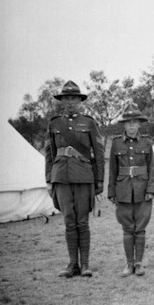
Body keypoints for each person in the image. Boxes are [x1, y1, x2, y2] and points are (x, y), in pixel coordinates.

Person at [45, 80, 104, 278]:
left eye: (74, 98)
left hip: (84, 176)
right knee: (69, 221)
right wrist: (48, 179)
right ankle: (73, 264)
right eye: (67, 98)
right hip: (61, 176)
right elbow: (49, 153)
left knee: (82, 221)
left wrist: (99, 181)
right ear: (62, 101)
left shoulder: (89, 123)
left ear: (80, 101)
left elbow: (99, 152)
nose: (70, 102)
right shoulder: (54, 123)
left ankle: (85, 264)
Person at [108, 104, 154, 277]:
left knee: (141, 227)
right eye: (128, 123)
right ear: (124, 125)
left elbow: (153, 168)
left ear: (139, 124)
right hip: (122, 190)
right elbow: (112, 169)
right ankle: (129, 264)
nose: (131, 126)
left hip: (143, 190)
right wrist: (111, 192)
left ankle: (139, 264)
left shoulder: (146, 142)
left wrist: (151, 189)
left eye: (134, 123)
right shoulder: (116, 143)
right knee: (127, 227)